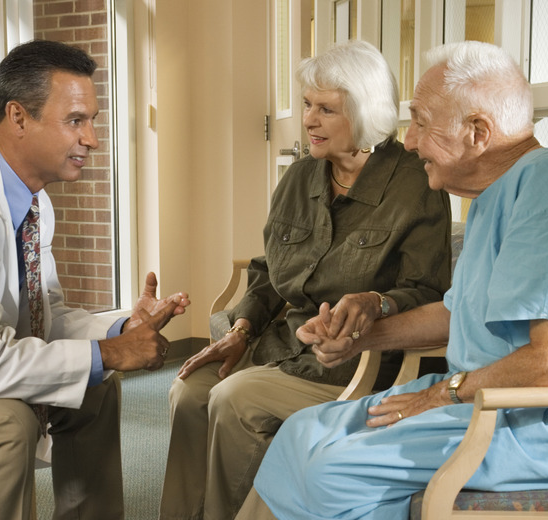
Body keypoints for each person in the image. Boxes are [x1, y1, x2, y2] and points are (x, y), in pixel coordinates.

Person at [236, 41, 548, 520]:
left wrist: (441, 393)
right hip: (490, 405)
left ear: (477, 132)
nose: (409, 142)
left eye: (420, 121)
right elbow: (457, 314)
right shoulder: (491, 199)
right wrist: (358, 336)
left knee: (329, 470)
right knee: (301, 433)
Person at [0, 39, 190, 520]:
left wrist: (120, 330)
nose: (92, 138)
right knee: (5, 424)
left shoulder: (32, 200)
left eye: (92, 121)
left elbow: (45, 316)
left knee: (95, 387)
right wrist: (109, 352)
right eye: (76, 121)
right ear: (18, 117)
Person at [159, 40, 451, 520]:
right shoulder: (298, 177)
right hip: (277, 347)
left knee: (234, 398)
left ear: (365, 112)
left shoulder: (416, 184)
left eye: (326, 109)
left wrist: (376, 301)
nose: (309, 120)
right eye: (306, 106)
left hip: (355, 364)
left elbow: (427, 290)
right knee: (188, 390)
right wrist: (240, 330)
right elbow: (270, 274)